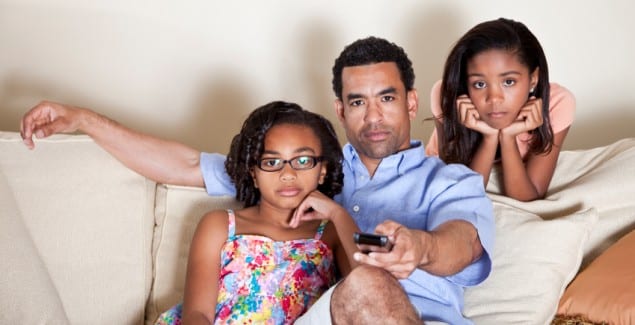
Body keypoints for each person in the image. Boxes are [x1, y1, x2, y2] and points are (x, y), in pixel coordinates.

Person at [20, 36, 494, 324]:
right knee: (362, 286)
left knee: (369, 287)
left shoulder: (450, 181)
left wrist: (422, 248)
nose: (373, 116)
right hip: (324, 317)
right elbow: (185, 166)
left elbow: (464, 243)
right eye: (357, 102)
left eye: (386, 99)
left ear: (411, 103)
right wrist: (83, 119)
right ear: (340, 109)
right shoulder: (309, 169)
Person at [155, 101, 360, 324]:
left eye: (303, 161)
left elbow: (369, 291)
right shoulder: (220, 225)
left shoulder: (332, 233)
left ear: (322, 170)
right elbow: (197, 314)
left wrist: (339, 214)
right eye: (272, 162)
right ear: (254, 173)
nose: (287, 174)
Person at [426, 18, 575, 201]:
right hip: (455, 182)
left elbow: (529, 197)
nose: (494, 98)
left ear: (533, 79)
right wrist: (489, 138)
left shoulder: (556, 103)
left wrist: (508, 137)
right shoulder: (446, 95)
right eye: (479, 84)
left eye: (508, 82)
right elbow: (461, 194)